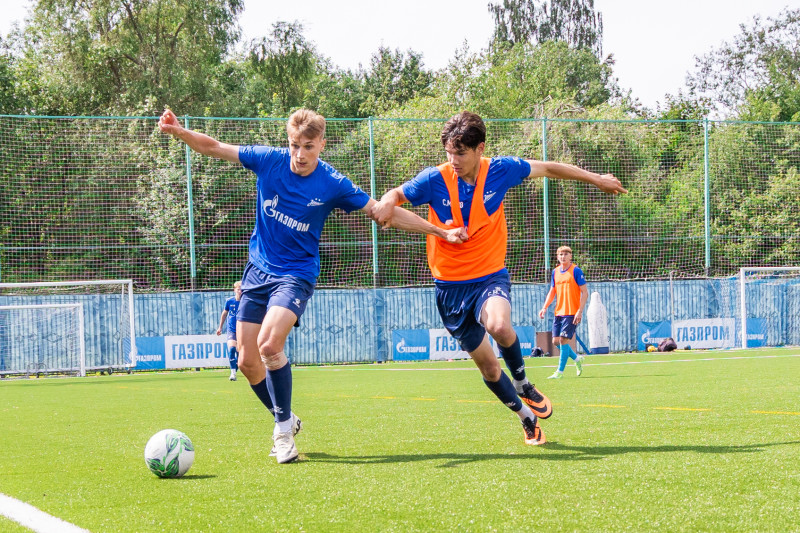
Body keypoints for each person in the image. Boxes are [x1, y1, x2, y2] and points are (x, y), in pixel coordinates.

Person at [158, 107, 466, 464]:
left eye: (308, 146)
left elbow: (382, 212)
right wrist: (180, 131)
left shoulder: (332, 183)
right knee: (246, 361)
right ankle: (285, 418)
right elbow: (214, 147)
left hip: (296, 274)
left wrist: (441, 231)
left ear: (321, 143)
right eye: (294, 145)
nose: (300, 154)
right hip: (257, 271)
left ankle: (283, 435)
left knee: (269, 345)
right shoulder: (268, 160)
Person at [371, 111, 626, 446]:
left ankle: (523, 382)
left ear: (480, 149)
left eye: (460, 153)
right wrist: (388, 201)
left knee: (500, 326)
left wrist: (596, 179)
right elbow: (396, 195)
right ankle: (527, 418)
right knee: (490, 371)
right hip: (449, 288)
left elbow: (549, 167)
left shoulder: (502, 170)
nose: (454, 160)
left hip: (489, 275)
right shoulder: (434, 179)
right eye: (449, 152)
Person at [539, 246, 589, 379]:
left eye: (566, 254)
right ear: (557, 256)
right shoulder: (555, 272)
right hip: (559, 312)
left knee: (563, 340)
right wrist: (544, 307)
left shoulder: (576, 271)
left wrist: (580, 310)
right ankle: (577, 359)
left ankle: (559, 372)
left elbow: (585, 292)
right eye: (561, 254)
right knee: (556, 341)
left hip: (572, 312)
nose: (563, 256)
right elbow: (552, 291)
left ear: (570, 256)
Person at [216, 281, 242, 381]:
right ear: (234, 290)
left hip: (242, 331)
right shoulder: (229, 301)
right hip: (231, 330)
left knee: (240, 356)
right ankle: (233, 373)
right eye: (238, 289)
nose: (240, 291)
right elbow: (224, 314)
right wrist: (220, 327)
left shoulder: (246, 301)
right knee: (231, 349)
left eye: (241, 289)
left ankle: (236, 368)